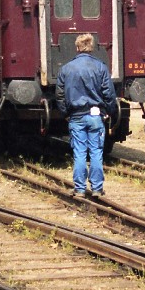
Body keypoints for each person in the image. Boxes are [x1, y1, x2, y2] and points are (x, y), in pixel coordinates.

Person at [55, 32, 117, 199]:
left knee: (80, 152)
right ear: (92, 48)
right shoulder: (101, 67)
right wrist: (109, 112)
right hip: (96, 116)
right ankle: (97, 188)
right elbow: (109, 93)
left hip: (76, 116)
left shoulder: (66, 69)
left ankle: (80, 189)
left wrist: (65, 114)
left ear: (77, 48)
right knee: (96, 151)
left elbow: (59, 95)